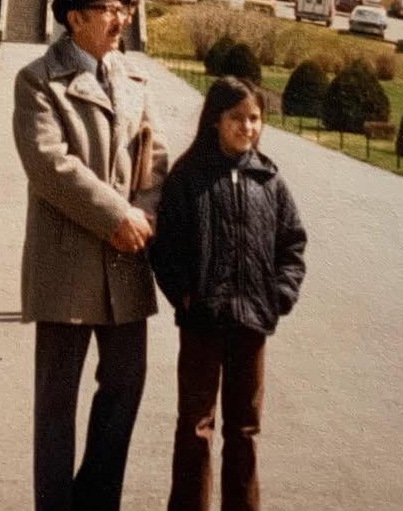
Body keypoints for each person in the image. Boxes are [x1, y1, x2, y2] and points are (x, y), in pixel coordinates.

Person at [13, 0, 168, 511]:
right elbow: (49, 166)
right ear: (74, 17)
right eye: (108, 9)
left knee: (125, 386)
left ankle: (97, 501)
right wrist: (116, 217)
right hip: (67, 264)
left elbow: (156, 159)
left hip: (129, 260)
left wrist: (143, 214)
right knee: (57, 399)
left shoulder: (134, 78)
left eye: (124, 9)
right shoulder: (38, 79)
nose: (121, 18)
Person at [148, 78, 306, 511]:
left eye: (254, 118)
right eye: (236, 118)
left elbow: (292, 243)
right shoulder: (189, 175)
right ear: (215, 120)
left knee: (244, 429)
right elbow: (166, 246)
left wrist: (279, 295)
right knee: (195, 428)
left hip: (252, 321)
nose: (247, 127)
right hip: (203, 319)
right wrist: (183, 293)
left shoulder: (268, 180)